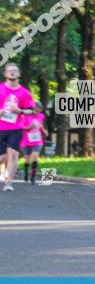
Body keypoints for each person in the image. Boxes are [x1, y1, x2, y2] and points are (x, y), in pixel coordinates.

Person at [0, 63, 37, 191]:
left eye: (14, 71)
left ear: (19, 74)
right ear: (5, 74)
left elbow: (32, 111)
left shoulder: (24, 92)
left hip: (16, 128)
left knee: (13, 154)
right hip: (0, 128)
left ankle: (8, 183)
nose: (12, 73)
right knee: (2, 157)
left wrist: (19, 111)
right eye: (9, 71)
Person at [21, 102, 48, 184]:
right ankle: (26, 171)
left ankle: (33, 176)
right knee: (27, 159)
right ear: (33, 108)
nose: (38, 111)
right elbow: (22, 127)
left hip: (37, 140)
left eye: (39, 109)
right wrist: (30, 127)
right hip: (26, 140)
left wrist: (44, 131)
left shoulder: (41, 116)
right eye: (36, 108)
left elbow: (40, 125)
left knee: (35, 156)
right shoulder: (25, 116)